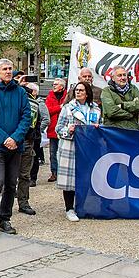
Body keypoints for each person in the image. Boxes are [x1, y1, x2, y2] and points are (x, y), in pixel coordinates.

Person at [0, 59, 31, 238]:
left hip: (15, 146)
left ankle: (5, 219)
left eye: (10, 69)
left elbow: (26, 117)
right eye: (4, 69)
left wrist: (15, 138)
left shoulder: (20, 93)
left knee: (11, 183)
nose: (8, 72)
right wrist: (4, 139)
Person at [56, 81, 100, 222]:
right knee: (69, 179)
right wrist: (68, 130)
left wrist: (98, 128)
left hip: (87, 147)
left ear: (87, 93)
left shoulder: (95, 109)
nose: (78, 92)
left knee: (86, 177)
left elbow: (99, 125)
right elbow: (58, 128)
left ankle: (83, 206)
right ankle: (69, 208)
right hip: (71, 145)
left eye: (81, 90)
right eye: (76, 90)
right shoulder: (68, 108)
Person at [17, 83, 46, 216]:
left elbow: (38, 121)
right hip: (14, 141)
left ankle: (23, 202)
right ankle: (9, 203)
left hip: (26, 141)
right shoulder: (13, 102)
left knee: (24, 175)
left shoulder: (33, 104)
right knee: (11, 176)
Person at [44, 78, 66, 183]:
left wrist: (57, 108)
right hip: (53, 128)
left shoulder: (67, 96)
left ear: (62, 86)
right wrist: (60, 107)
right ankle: (54, 172)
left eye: (56, 84)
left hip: (64, 129)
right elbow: (48, 110)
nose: (54, 86)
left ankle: (63, 172)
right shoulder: (50, 96)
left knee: (64, 152)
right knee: (53, 152)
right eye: (53, 84)